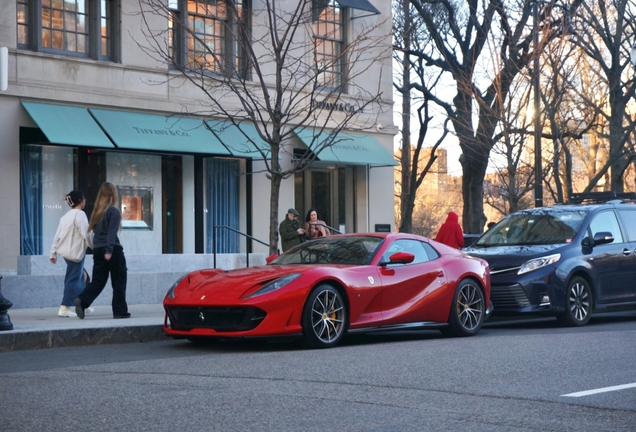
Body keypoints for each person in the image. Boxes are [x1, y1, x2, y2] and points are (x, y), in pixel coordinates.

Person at [75, 182, 130, 319]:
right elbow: (111, 233)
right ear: (113, 194)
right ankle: (119, 311)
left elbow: (100, 234)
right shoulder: (114, 211)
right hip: (110, 251)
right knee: (119, 280)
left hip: (98, 250)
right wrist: (110, 250)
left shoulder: (97, 212)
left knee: (98, 281)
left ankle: (82, 300)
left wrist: (115, 243)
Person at [49, 191, 94, 318]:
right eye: (84, 198)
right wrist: (95, 247)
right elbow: (86, 233)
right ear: (80, 200)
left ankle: (83, 303)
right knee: (73, 278)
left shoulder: (65, 216)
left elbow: (57, 235)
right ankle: (65, 307)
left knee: (83, 276)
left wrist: (52, 253)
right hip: (75, 252)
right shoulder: (80, 214)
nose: (85, 201)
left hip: (66, 253)